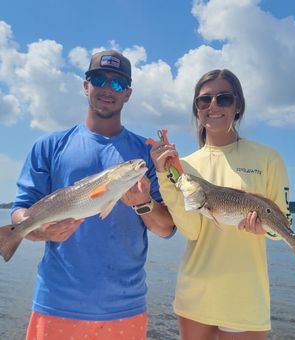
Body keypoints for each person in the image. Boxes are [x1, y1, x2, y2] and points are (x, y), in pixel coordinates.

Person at [11, 49, 175, 340]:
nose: (107, 89)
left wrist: (143, 204)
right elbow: (22, 208)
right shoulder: (48, 145)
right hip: (56, 302)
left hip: (126, 308)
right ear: (86, 85)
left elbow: (166, 228)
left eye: (117, 84)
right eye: (99, 79)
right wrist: (38, 230)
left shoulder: (147, 154)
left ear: (128, 93)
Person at [150, 69, 291, 340]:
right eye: (204, 100)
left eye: (223, 99)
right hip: (195, 296)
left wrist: (267, 230)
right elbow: (192, 231)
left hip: (245, 298)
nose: (213, 106)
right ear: (197, 109)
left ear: (237, 106)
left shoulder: (269, 159)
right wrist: (163, 176)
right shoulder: (186, 166)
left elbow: (283, 225)